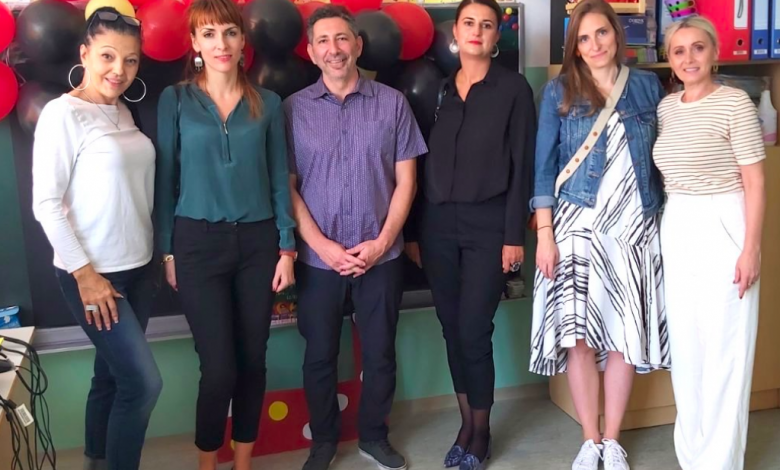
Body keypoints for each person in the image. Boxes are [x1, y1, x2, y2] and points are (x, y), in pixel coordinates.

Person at [283, 5, 427, 470]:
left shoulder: (393, 103)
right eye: (323, 41)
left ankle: (374, 437)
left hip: (380, 257)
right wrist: (321, 245)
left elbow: (407, 181)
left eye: (342, 38)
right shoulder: (292, 110)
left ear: (358, 45)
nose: (334, 49)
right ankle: (324, 441)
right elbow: (287, 188)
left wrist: (383, 242)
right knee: (319, 356)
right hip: (318, 260)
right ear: (311, 52)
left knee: (380, 354)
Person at [154, 0, 296, 467]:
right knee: (218, 369)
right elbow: (165, 181)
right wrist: (168, 252)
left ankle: (243, 462)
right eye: (209, 34)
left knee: (253, 361)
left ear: (242, 41)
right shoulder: (176, 100)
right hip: (197, 245)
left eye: (230, 33)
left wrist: (287, 247)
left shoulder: (268, 103)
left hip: (258, 245)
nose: (221, 44)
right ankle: (207, 463)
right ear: (195, 43)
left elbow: (279, 179)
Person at [529, 0, 669, 469]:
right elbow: (544, 168)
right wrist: (544, 235)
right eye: (584, 38)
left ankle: (613, 440)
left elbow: (664, 155)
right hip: (576, 226)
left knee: (623, 335)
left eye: (602, 33)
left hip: (633, 226)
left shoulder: (647, 86)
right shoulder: (558, 91)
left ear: (616, 34)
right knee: (579, 338)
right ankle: (590, 440)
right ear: (574, 46)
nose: (594, 45)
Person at [32, 6, 161, 470]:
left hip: (139, 269)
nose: (119, 70)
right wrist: (85, 275)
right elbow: (46, 204)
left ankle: (96, 460)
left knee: (109, 376)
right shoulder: (62, 114)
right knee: (143, 385)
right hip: (93, 276)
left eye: (130, 60)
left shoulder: (125, 111)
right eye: (107, 56)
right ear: (85, 54)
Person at [407, 0, 536, 468]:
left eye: (487, 24)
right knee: (450, 327)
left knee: (474, 329)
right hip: (438, 226)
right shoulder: (441, 91)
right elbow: (421, 165)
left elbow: (523, 165)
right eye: (469, 23)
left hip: (489, 225)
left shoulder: (513, 89)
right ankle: (465, 423)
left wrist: (513, 236)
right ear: (456, 33)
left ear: (496, 36)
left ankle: (481, 432)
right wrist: (415, 232)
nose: (477, 31)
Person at [654, 16, 765, 470]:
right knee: (687, 349)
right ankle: (693, 455)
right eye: (679, 51)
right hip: (678, 221)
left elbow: (755, 182)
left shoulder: (735, 103)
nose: (689, 58)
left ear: (714, 53)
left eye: (698, 48)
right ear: (670, 60)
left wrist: (750, 248)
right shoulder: (667, 107)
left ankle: (719, 462)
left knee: (725, 348)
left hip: (724, 220)